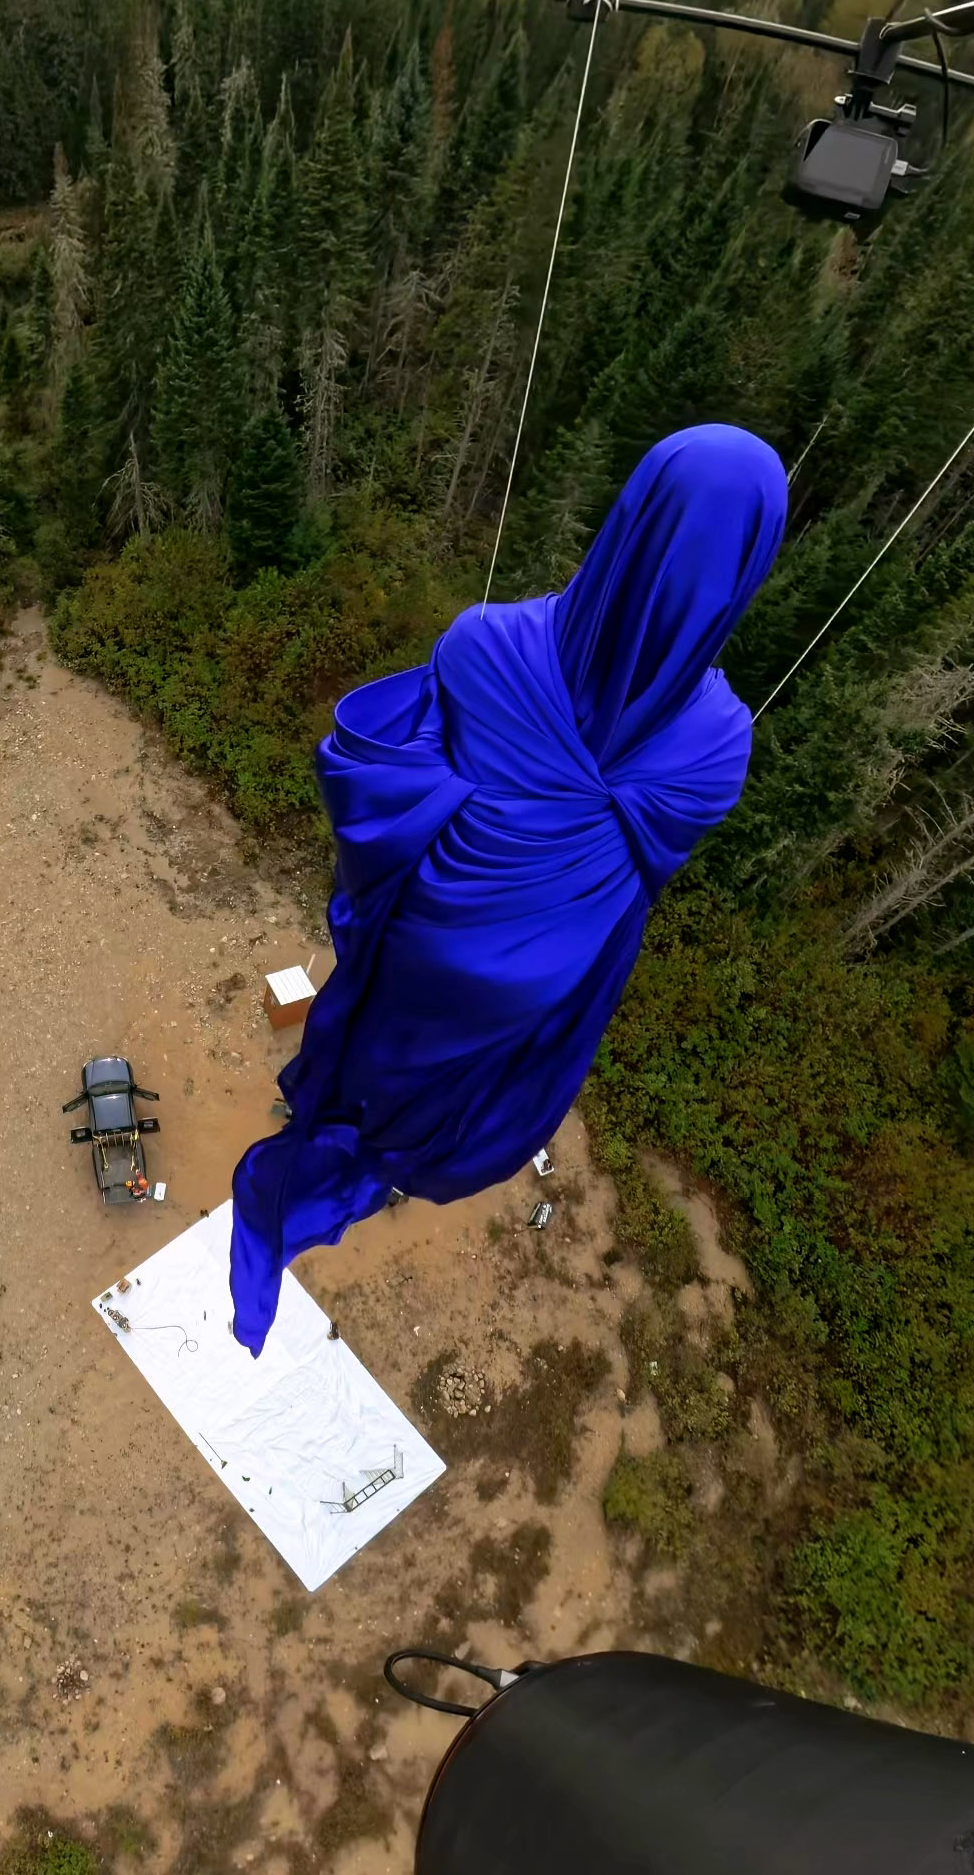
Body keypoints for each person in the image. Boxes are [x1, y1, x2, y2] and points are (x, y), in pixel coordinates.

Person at [226, 425, 785, 1352]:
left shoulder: (484, 645)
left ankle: (333, 1128)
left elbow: (391, 767)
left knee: (374, 1044)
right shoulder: (720, 745)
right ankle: (388, 1159)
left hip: (431, 939)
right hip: (547, 974)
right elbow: (653, 854)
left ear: (630, 515)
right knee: (463, 1088)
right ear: (748, 572)